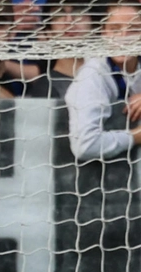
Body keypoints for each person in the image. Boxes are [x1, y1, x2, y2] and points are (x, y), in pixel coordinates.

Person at [66, 0, 141, 162]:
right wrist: (136, 135)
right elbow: (85, 145)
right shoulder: (92, 75)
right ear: (104, 34)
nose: (124, 38)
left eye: (134, 30)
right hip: (100, 179)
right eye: (115, 29)